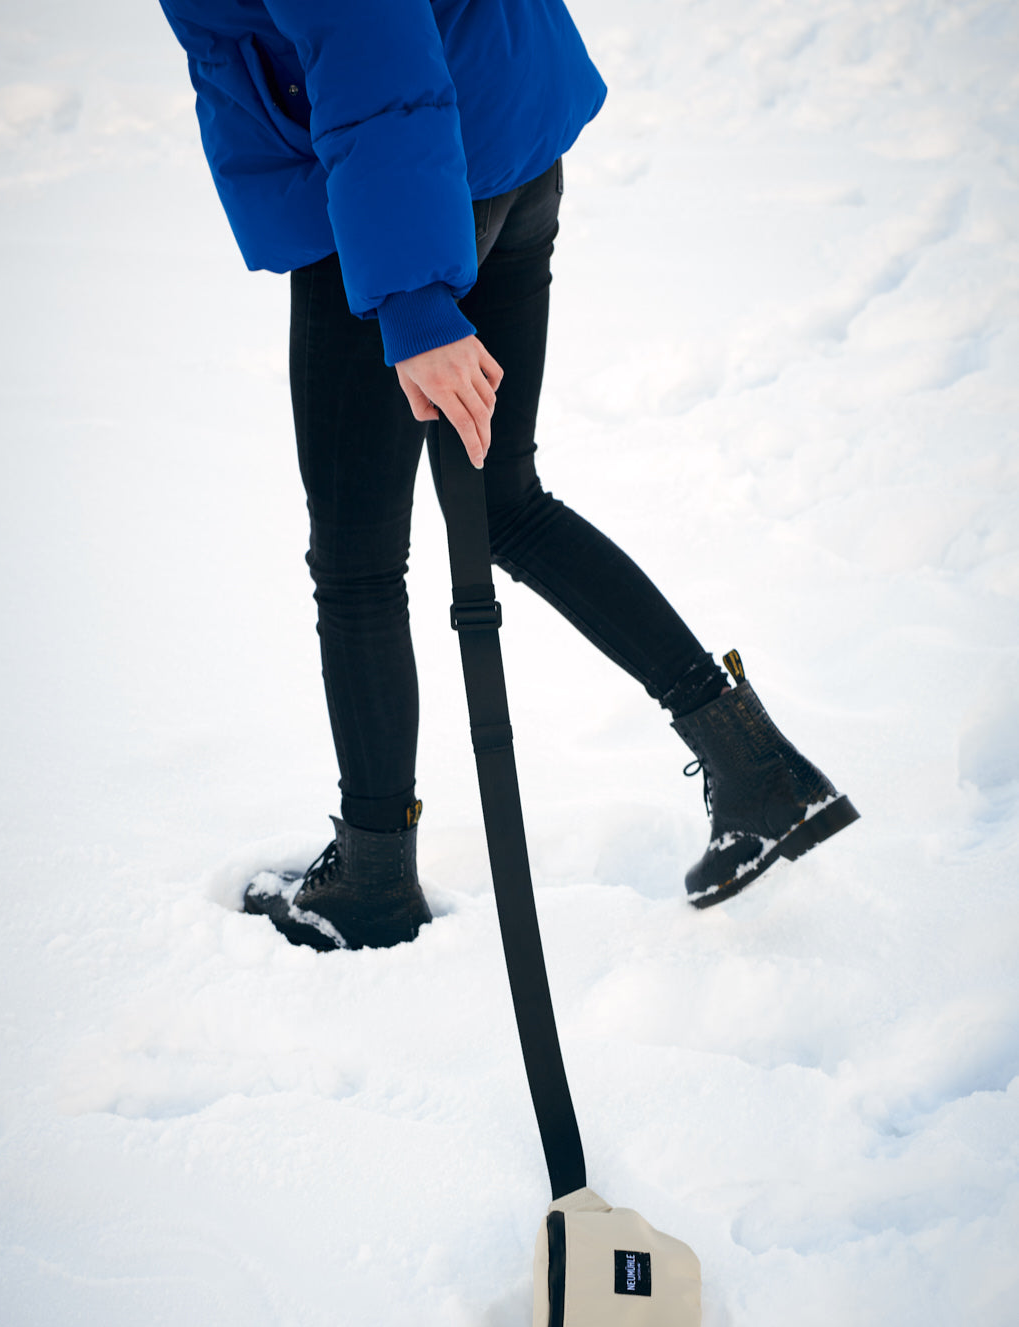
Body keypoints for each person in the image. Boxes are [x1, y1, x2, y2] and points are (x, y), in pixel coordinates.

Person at [156, 0, 857, 951]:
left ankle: (371, 881)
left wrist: (409, 298)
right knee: (504, 504)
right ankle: (753, 764)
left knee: (359, 562)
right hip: (500, 133)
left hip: (389, 196)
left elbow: (368, 44)